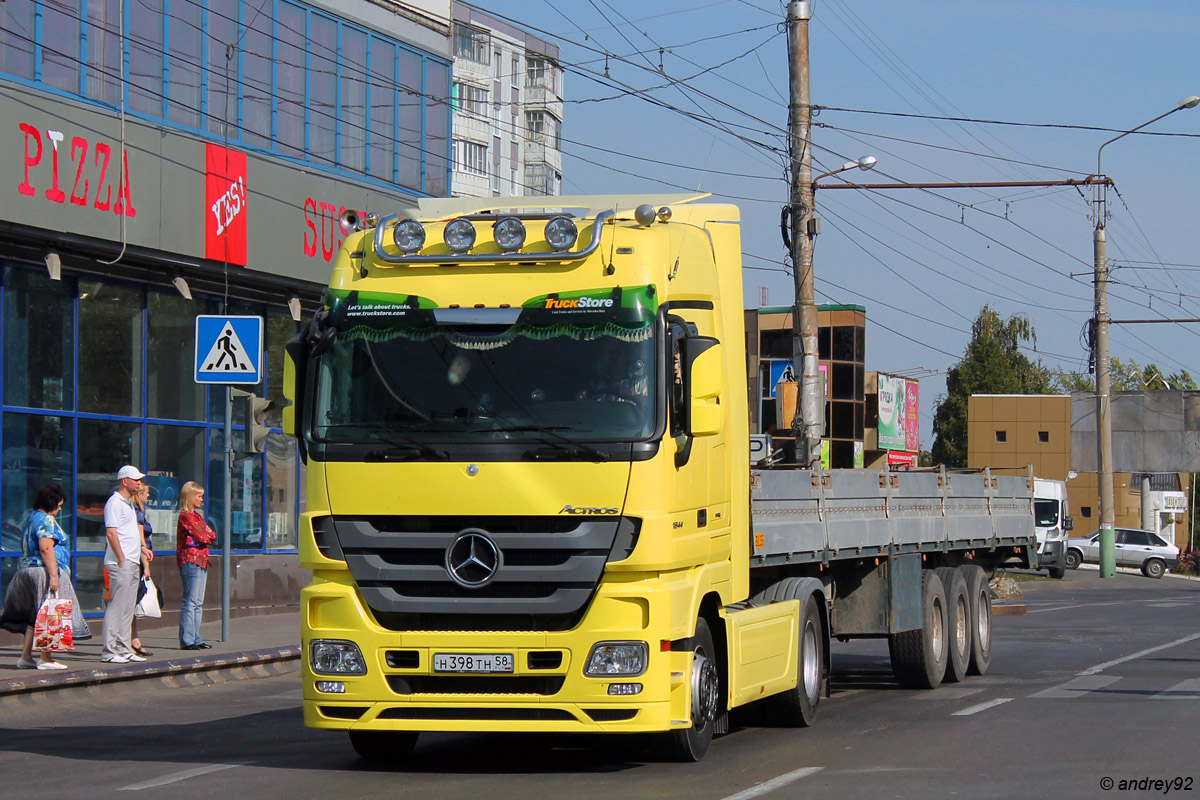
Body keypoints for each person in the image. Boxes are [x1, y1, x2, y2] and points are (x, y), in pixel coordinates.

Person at [0, 484, 91, 669]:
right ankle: (46, 657)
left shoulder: (31, 517)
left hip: (26, 570)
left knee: (35, 615)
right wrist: (54, 576)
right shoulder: (46, 520)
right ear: (51, 503)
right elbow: (46, 548)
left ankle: (26, 656)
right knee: (49, 611)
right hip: (42, 570)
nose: (60, 509)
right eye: (59, 505)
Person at [101, 465, 151, 664]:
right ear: (124, 481)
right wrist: (121, 557)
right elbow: (111, 532)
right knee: (116, 606)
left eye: (139, 480)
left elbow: (130, 532)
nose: (139, 483)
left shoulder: (129, 503)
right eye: (135, 479)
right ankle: (108, 650)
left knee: (128, 607)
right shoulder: (114, 502)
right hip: (120, 563)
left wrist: (141, 550)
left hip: (131, 561)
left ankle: (124, 647)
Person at [177, 481, 215, 650]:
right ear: (191, 497)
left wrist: (206, 535)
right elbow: (203, 536)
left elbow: (211, 534)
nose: (201, 499)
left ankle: (196, 638)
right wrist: (206, 535)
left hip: (202, 560)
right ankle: (187, 640)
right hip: (190, 561)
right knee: (191, 601)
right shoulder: (185, 516)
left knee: (198, 602)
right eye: (199, 496)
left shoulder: (197, 516)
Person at [130, 481, 156, 657]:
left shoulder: (139, 511)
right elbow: (141, 542)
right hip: (136, 560)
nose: (148, 495)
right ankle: (132, 640)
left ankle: (132, 639)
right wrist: (146, 566)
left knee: (132, 603)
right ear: (138, 494)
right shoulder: (136, 513)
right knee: (130, 603)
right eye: (146, 492)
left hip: (138, 558)